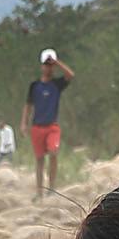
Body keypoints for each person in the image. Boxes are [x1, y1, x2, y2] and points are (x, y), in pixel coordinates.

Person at [27, 50, 76, 196]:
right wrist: (24, 123)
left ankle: (52, 187)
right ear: (41, 66)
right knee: (39, 160)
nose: (49, 68)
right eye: (46, 65)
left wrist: (57, 61)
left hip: (52, 126)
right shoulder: (34, 85)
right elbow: (28, 105)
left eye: (51, 65)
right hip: (37, 127)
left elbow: (70, 75)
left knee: (53, 153)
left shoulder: (57, 84)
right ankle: (39, 191)